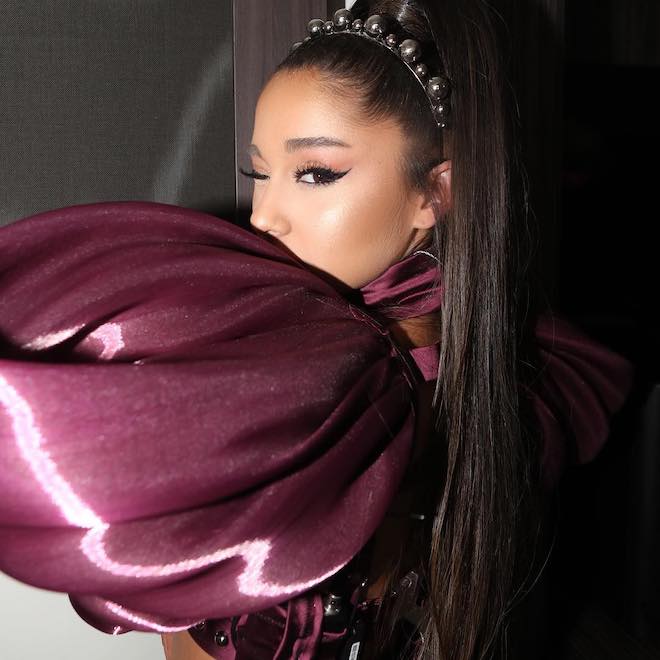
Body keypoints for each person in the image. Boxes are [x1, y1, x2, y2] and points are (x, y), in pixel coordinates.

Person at [0, 1, 632, 659]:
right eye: (260, 174)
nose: (265, 216)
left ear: (435, 191)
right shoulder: (481, 352)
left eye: (315, 173)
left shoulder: (366, 378)